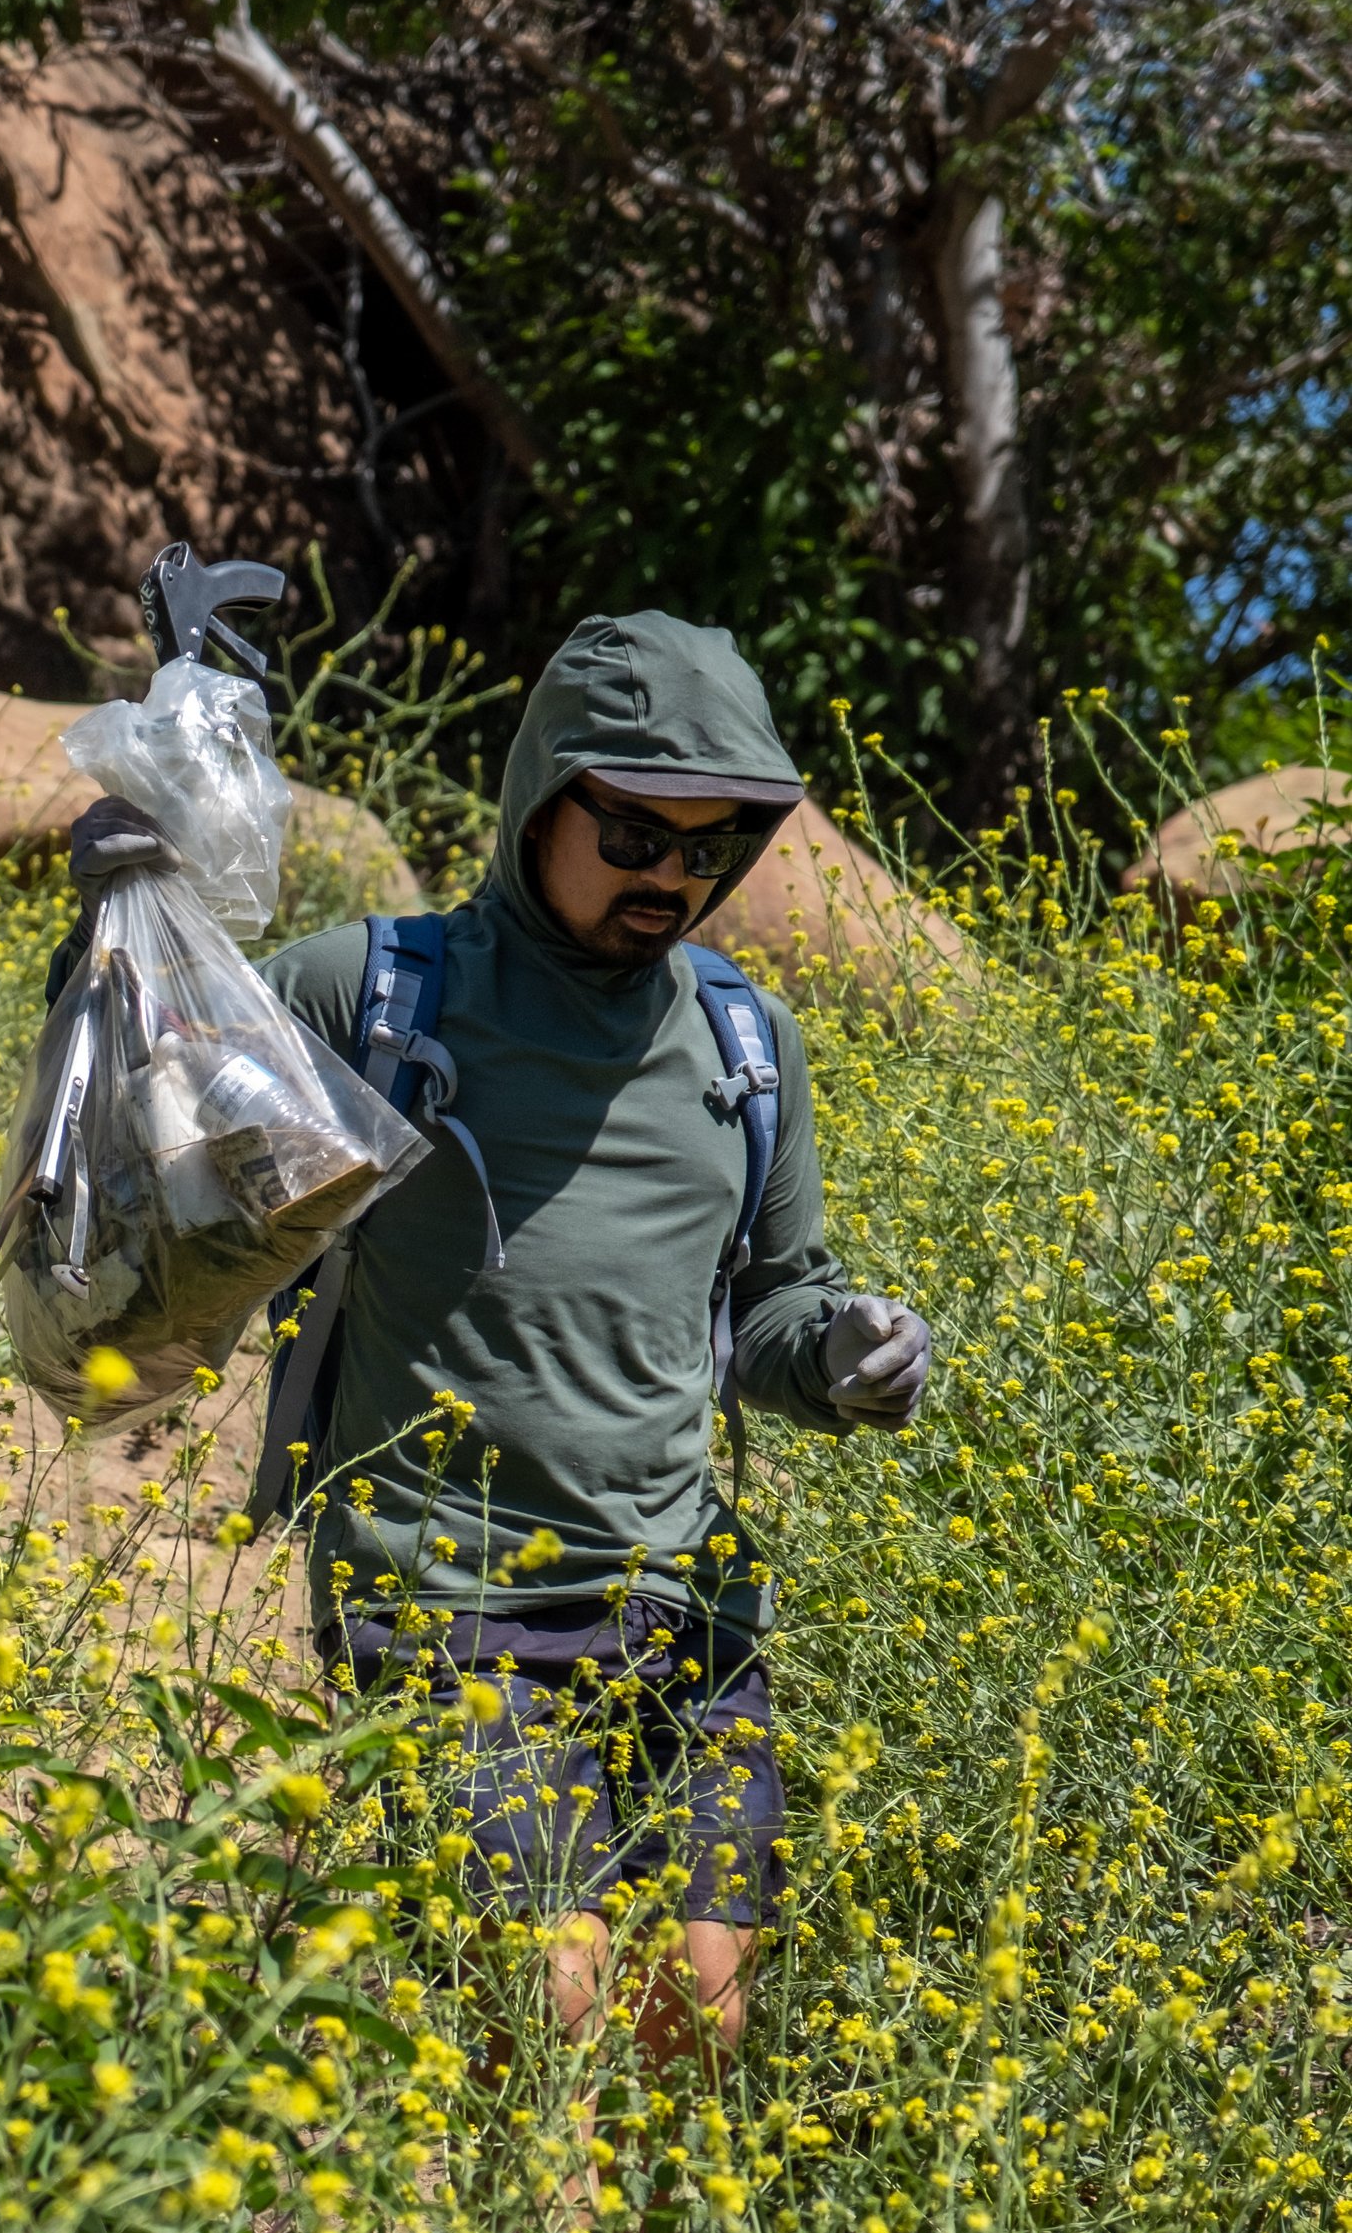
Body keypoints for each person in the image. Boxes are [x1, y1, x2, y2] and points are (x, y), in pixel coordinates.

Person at [52, 609, 931, 2067]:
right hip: (446, 1592)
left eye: (713, 847)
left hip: (683, 1601)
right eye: (639, 832)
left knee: (695, 2021)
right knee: (551, 2011)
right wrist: (117, 930)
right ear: (543, 802)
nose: (675, 878)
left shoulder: (746, 1041)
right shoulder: (376, 993)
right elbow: (146, 1153)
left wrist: (844, 1352)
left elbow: (772, 1299)